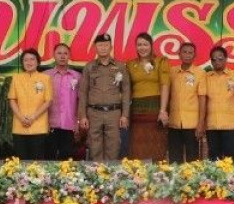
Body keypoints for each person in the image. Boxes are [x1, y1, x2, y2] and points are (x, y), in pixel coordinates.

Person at [77, 34, 130, 161]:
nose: (103, 48)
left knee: (113, 146)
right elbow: (83, 92)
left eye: (106, 45)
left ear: (111, 47)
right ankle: (97, 172)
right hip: (94, 113)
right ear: (95, 48)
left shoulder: (120, 66)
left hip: (114, 113)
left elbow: (126, 91)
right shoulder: (89, 67)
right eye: (100, 45)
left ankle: (110, 173)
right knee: (94, 147)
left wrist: (125, 115)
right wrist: (82, 116)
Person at [124, 33, 171, 161]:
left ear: (151, 46)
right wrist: (125, 114)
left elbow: (165, 85)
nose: (142, 47)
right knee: (137, 148)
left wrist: (163, 110)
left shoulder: (161, 61)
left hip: (155, 109)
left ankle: (156, 172)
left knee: (156, 146)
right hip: (136, 111)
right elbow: (126, 89)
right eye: (139, 45)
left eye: (145, 44)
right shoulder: (130, 64)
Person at [198, 45, 234, 159]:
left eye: (220, 58)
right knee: (214, 158)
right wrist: (201, 122)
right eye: (214, 59)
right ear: (211, 61)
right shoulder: (206, 76)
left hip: (231, 124)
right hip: (212, 125)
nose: (217, 62)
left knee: (231, 158)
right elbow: (203, 100)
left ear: (226, 59)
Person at [158, 41, 201, 163]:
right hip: (174, 122)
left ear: (195, 55)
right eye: (184, 52)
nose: (187, 55)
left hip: (192, 123)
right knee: (175, 159)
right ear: (179, 54)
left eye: (190, 53)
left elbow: (202, 99)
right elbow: (166, 94)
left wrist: (201, 123)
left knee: (193, 160)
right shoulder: (171, 72)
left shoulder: (200, 73)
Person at [7, 48, 51, 159]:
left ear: (38, 62)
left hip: (39, 126)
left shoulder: (45, 78)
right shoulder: (16, 78)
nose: (29, 62)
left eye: (32, 59)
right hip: (19, 125)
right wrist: (21, 118)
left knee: (37, 162)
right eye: (25, 60)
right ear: (22, 63)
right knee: (20, 161)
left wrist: (32, 118)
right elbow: (12, 99)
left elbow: (48, 101)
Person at [46, 43, 82, 161]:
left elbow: (80, 102)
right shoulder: (45, 76)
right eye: (59, 53)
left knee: (67, 161)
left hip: (69, 125)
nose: (62, 56)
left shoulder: (77, 76)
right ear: (54, 55)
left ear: (69, 56)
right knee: (48, 160)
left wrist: (77, 123)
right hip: (49, 124)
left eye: (65, 53)